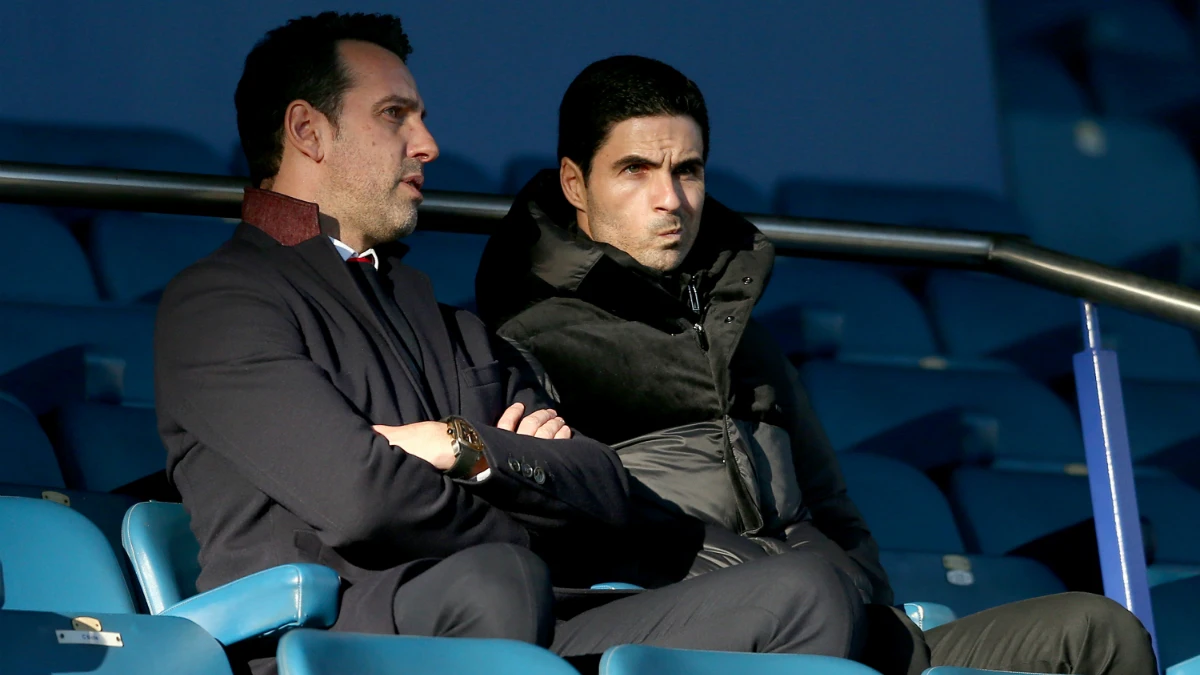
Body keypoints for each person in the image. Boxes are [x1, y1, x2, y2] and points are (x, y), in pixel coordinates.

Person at [155, 14, 868, 675]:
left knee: (811, 591)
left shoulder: (442, 317)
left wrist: (463, 446)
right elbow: (363, 500)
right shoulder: (220, 301)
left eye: (420, 118)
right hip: (343, 635)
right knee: (500, 576)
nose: (428, 144)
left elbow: (599, 483)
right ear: (308, 132)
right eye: (395, 115)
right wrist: (521, 502)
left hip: (522, 612)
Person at [474, 54, 1159, 675]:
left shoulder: (743, 333)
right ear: (574, 180)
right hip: (700, 633)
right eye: (636, 171)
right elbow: (572, 532)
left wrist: (862, 595)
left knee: (1100, 631)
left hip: (848, 621)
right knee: (812, 592)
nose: (670, 199)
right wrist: (791, 580)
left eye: (688, 170)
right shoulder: (523, 339)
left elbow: (833, 505)